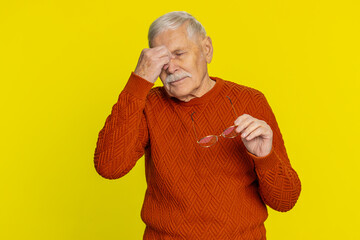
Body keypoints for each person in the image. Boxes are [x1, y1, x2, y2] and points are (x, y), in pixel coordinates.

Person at [94, 11, 301, 240]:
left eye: (179, 53)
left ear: (207, 49)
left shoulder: (250, 101)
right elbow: (109, 167)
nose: (171, 68)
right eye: (161, 61)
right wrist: (139, 80)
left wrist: (265, 157)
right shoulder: (148, 105)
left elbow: (285, 201)